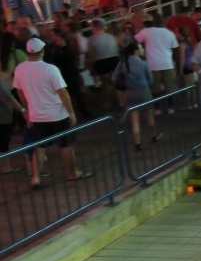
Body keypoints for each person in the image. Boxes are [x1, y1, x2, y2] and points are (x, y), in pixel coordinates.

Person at [12, 37, 89, 188]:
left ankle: (36, 178)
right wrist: (71, 113)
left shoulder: (20, 69)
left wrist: (28, 110)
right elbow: (63, 93)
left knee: (40, 147)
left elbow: (20, 92)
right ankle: (71, 173)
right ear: (43, 50)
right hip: (57, 114)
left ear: (28, 52)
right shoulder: (49, 68)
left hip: (37, 115)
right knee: (65, 145)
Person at [112, 43, 160, 150]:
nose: (142, 49)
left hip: (129, 93)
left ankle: (137, 143)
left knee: (134, 119)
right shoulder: (143, 63)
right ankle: (153, 136)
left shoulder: (123, 63)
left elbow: (114, 77)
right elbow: (150, 80)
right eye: (141, 48)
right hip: (144, 91)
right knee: (149, 116)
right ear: (136, 51)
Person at [135, 15, 180, 113]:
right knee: (170, 87)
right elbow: (176, 50)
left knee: (155, 88)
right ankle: (170, 107)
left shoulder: (146, 31)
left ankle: (157, 108)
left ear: (153, 22)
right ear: (163, 22)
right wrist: (178, 66)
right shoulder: (170, 33)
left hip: (153, 64)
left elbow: (135, 40)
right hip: (168, 64)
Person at [87, 19, 121, 109]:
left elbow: (92, 54)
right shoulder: (111, 36)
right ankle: (120, 101)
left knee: (106, 84)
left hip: (101, 62)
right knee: (115, 82)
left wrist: (91, 63)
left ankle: (109, 102)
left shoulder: (92, 39)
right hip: (114, 60)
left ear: (94, 27)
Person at [0, 74, 26, 174]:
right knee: (3, 142)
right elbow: (8, 98)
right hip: (3, 117)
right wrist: (22, 110)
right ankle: (6, 167)